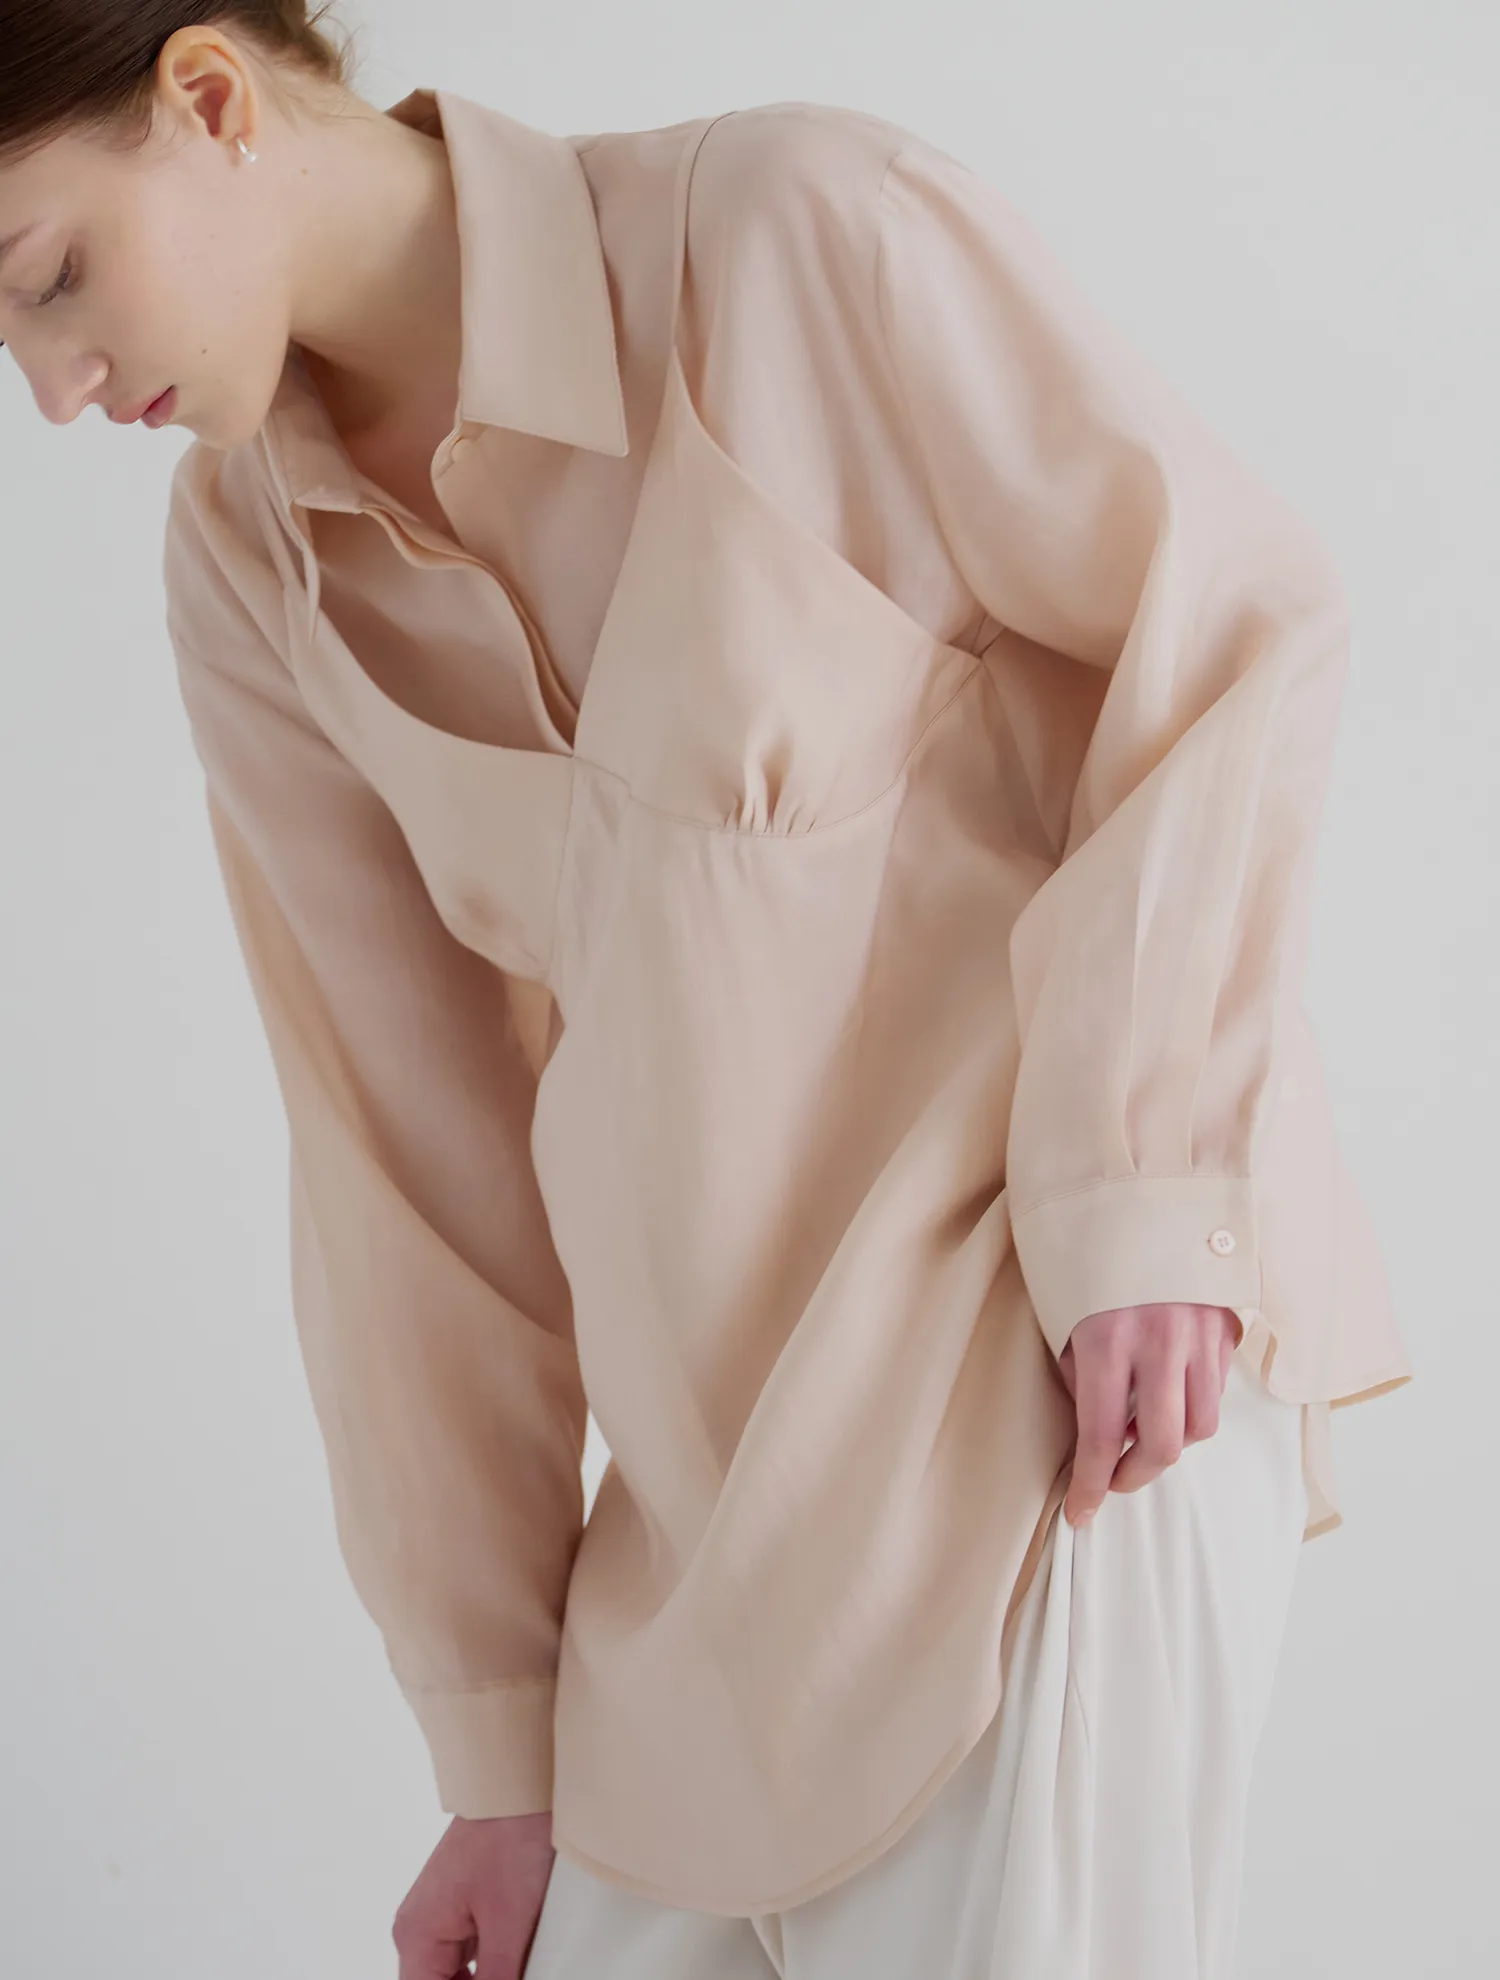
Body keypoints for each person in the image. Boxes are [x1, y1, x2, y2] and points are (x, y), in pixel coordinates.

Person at [0, 6, 1415, 1977]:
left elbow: (1233, 624)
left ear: (213, 96)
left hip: (1048, 1400)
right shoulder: (256, 574)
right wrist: (497, 1743)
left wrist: (1151, 1191)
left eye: (50, 276)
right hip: (694, 1555)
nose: (54, 388)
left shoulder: (793, 234)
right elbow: (404, 1170)